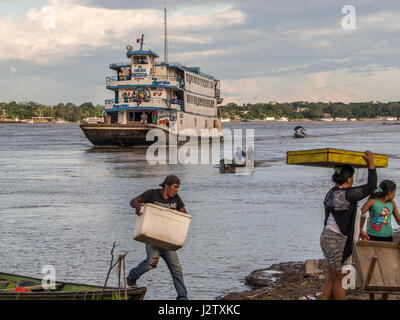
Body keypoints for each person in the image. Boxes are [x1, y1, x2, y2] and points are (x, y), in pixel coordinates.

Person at [320, 151, 377, 300]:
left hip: (327, 236)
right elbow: (371, 186)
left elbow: (342, 217)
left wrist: (358, 230)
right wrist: (370, 162)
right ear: (348, 179)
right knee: (342, 280)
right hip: (338, 240)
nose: (353, 180)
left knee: (332, 277)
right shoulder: (348, 194)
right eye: (352, 177)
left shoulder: (331, 193)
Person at [127, 175, 189, 300]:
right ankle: (132, 276)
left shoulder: (176, 199)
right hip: (153, 238)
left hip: (168, 240)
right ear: (166, 186)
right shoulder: (152, 194)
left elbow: (184, 215)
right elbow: (133, 201)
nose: (177, 190)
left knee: (176, 269)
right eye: (175, 187)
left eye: (178, 187)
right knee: (151, 263)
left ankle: (182, 297)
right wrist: (138, 206)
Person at [360, 180, 400, 300]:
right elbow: (359, 215)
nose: (395, 194)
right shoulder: (372, 202)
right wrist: (361, 230)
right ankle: (371, 296)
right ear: (389, 192)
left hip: (388, 239)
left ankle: (385, 297)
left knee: (387, 267)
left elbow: (398, 220)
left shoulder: (391, 204)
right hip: (372, 237)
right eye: (394, 192)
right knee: (372, 267)